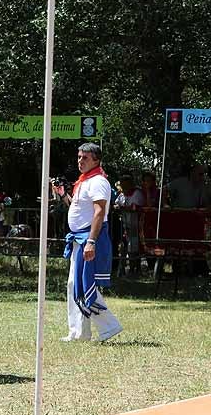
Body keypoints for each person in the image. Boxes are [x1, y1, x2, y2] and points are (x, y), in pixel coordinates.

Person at [53, 142, 122, 342]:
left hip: (88, 238)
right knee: (75, 284)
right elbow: (75, 206)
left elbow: (100, 212)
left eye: (85, 158)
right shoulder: (84, 181)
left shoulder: (98, 181)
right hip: (79, 238)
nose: (80, 161)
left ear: (96, 160)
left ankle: (108, 326)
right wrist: (62, 194)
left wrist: (91, 241)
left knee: (82, 284)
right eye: (79, 157)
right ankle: (79, 332)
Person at [113, 174, 144, 275]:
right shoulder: (122, 195)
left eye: (125, 184)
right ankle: (125, 269)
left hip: (136, 225)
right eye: (122, 184)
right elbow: (116, 203)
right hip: (125, 225)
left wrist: (122, 208)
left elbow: (135, 208)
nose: (123, 186)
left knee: (134, 247)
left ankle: (135, 268)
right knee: (125, 247)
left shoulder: (137, 193)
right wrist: (117, 207)